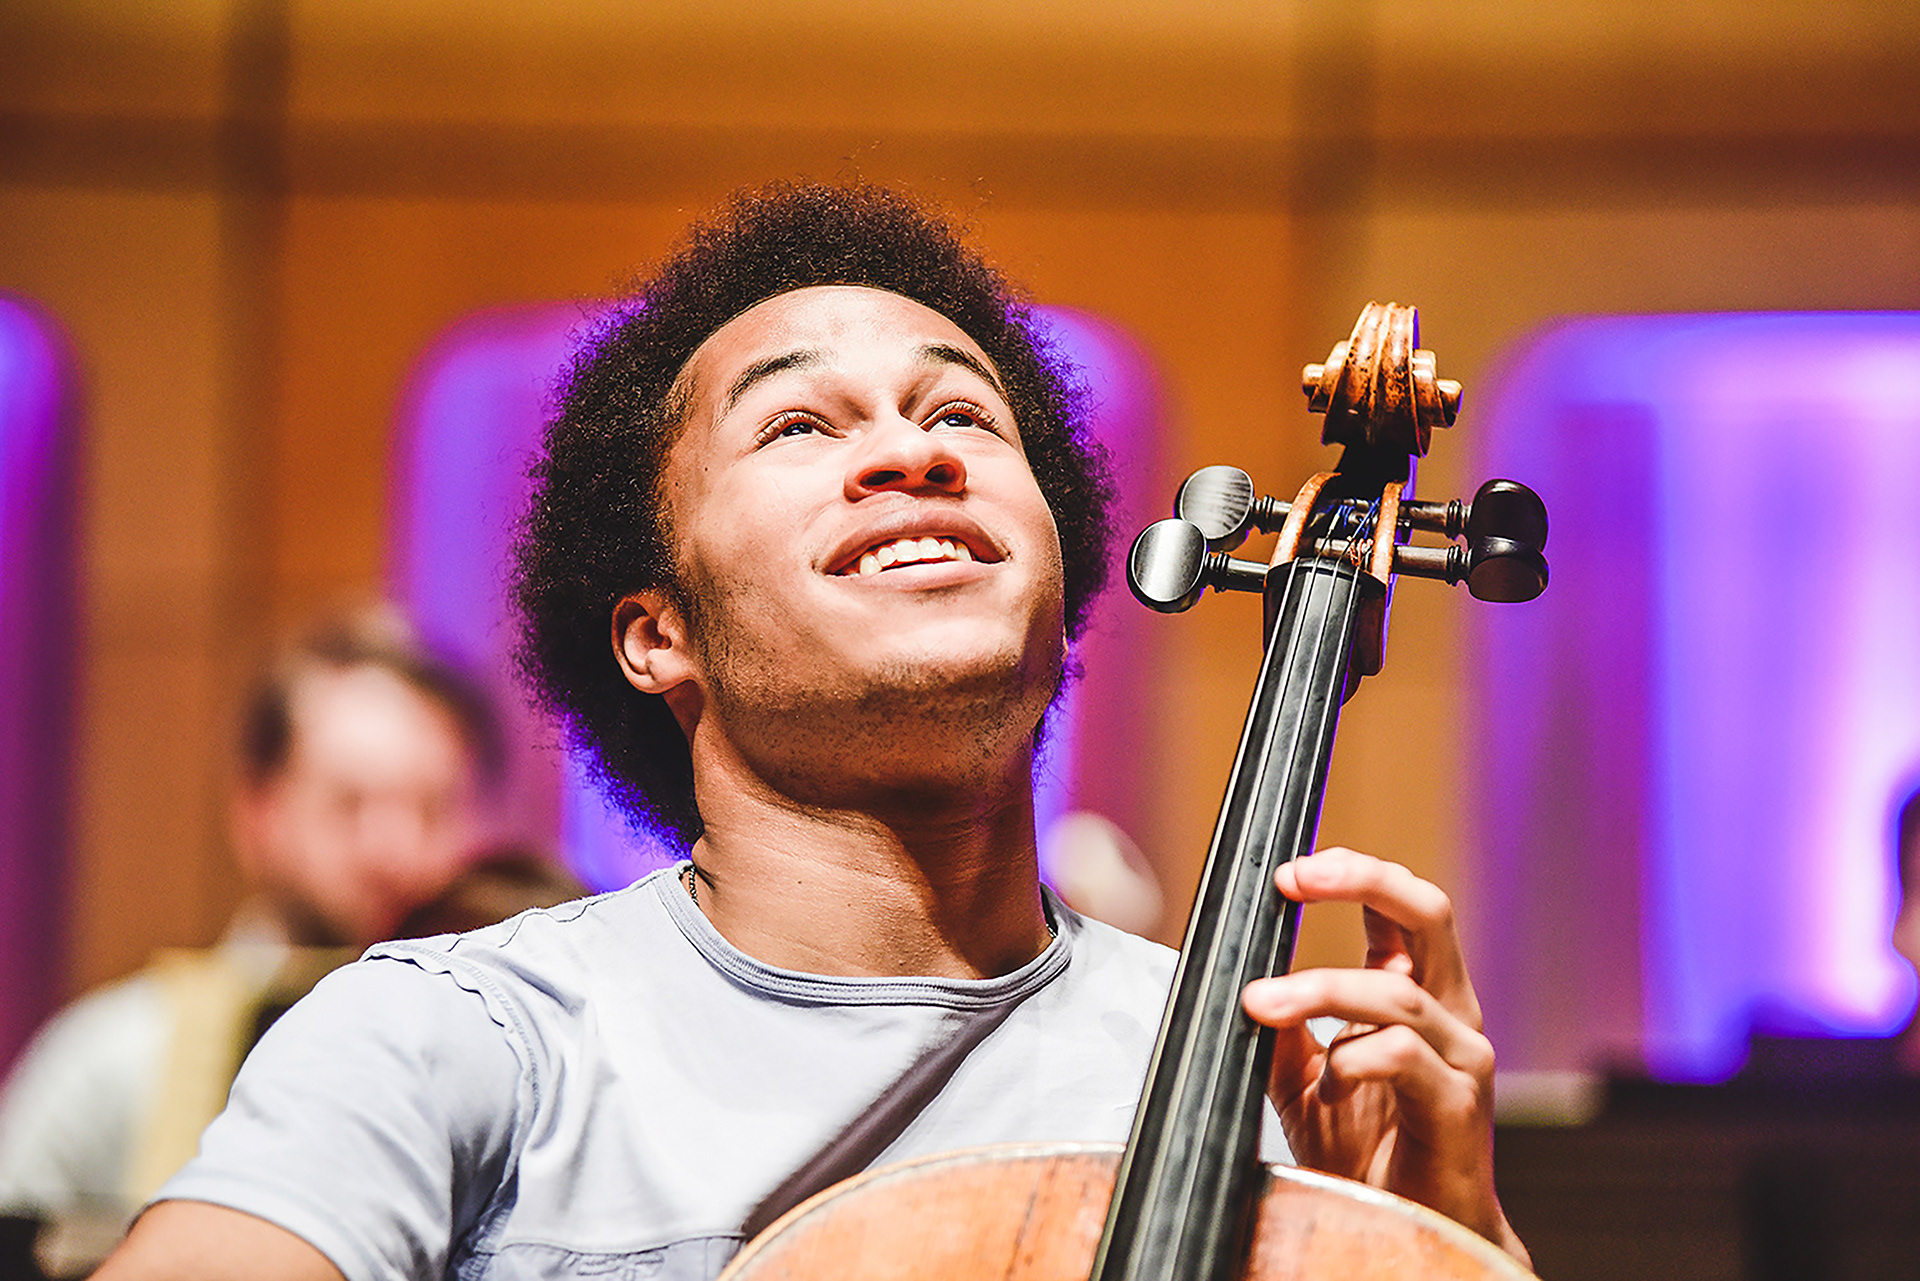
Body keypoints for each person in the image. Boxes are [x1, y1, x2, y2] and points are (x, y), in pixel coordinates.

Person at [95, 182, 1530, 1279]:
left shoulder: (1274, 1082)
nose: (915, 450)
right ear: (656, 633)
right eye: (798, 427)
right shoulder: (461, 1039)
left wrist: (1442, 1235)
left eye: (964, 414)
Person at [0, 604, 506, 1269]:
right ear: (256, 810)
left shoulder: (510, 1055)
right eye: (348, 803)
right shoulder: (114, 1060)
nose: (395, 848)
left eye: (433, 807)